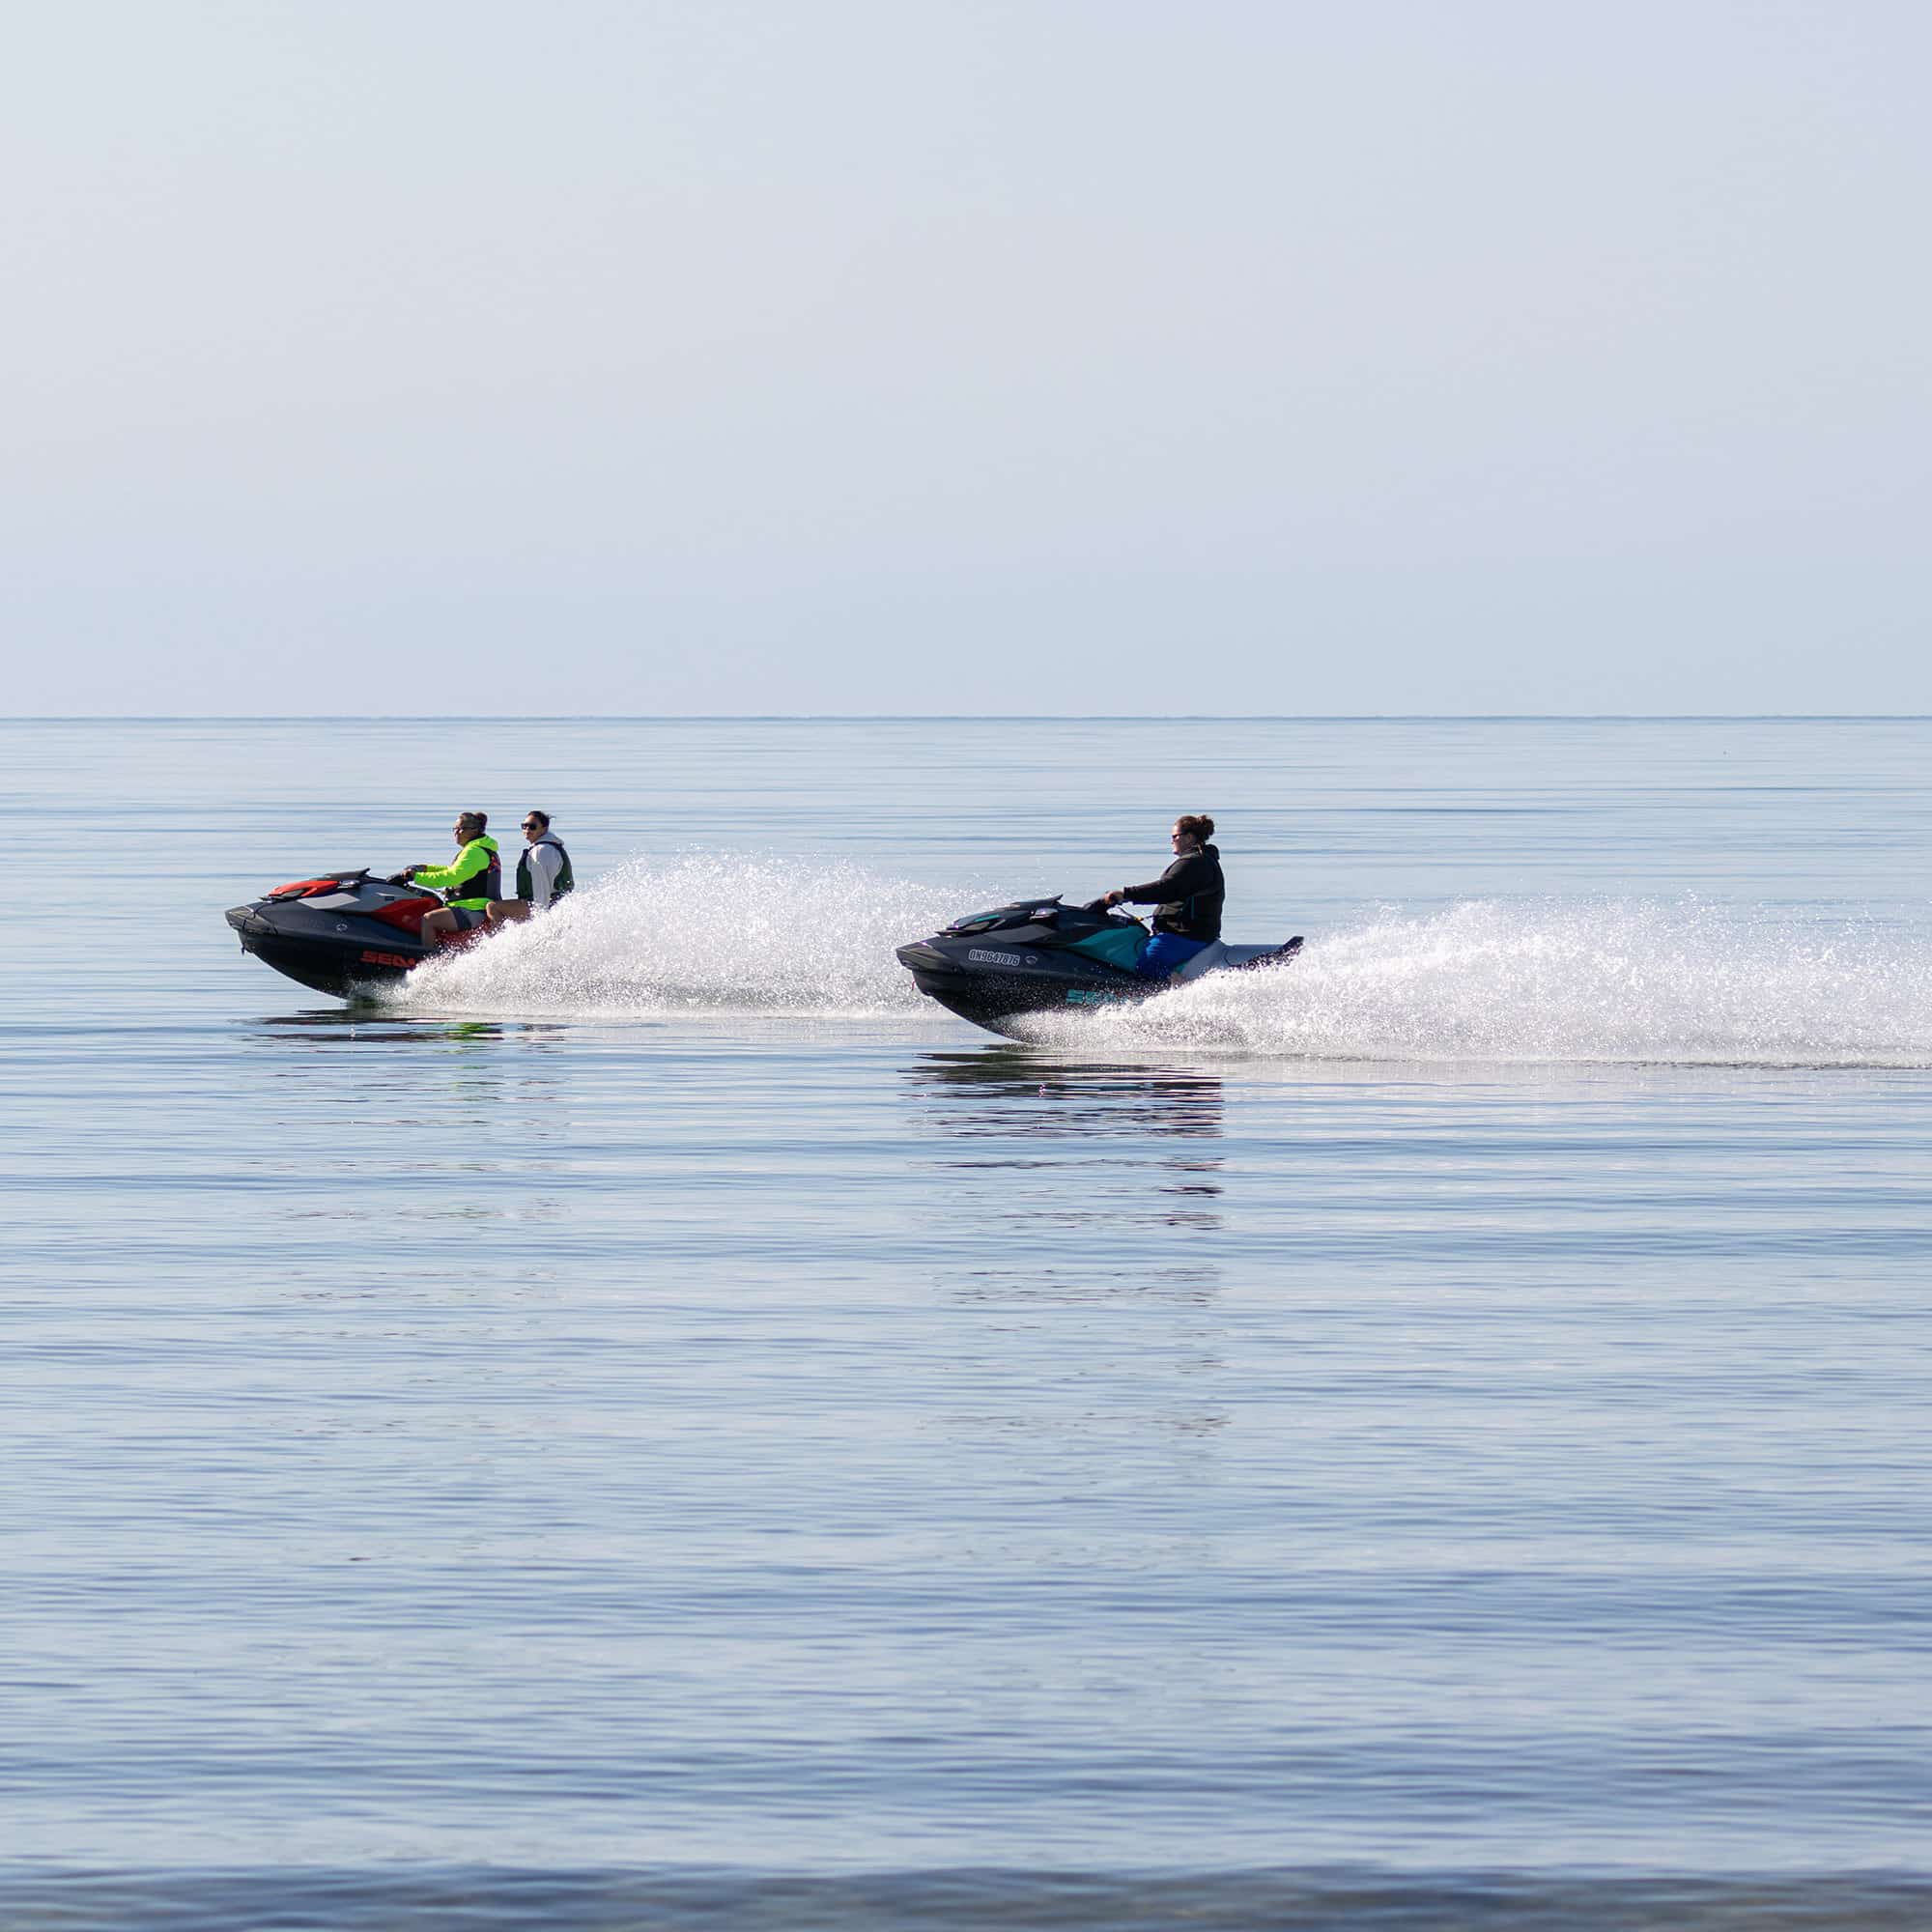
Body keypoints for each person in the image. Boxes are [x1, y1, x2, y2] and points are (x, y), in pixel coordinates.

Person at [1101, 813, 1225, 979]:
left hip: (1186, 935)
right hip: (1184, 932)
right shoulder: (1199, 860)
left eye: (1175, 836)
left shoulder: (1195, 862)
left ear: (1188, 837)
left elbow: (1166, 889)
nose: (1171, 841)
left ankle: (1183, 994)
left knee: (1148, 963)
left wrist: (1126, 894)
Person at [407, 811, 502, 950]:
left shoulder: (474, 852)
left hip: (472, 909)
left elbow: (451, 877)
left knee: (429, 919)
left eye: (461, 829)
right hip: (470, 906)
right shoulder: (479, 849)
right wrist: (425, 869)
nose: (456, 833)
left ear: (475, 830)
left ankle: (426, 961)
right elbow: (453, 869)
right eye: (455, 829)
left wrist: (416, 877)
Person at [488, 810, 574, 924]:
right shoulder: (549, 847)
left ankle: (497, 941)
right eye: (524, 826)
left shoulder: (541, 851)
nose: (527, 830)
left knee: (493, 907)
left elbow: (542, 887)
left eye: (532, 827)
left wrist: (541, 920)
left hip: (548, 905)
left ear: (544, 829)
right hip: (557, 903)